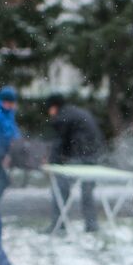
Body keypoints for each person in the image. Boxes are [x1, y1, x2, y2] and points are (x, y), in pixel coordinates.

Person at [45, 93, 106, 232]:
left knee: (60, 188)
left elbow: (59, 142)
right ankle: (91, 226)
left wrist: (52, 163)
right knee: (87, 193)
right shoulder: (75, 112)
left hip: (80, 157)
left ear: (54, 107)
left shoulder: (62, 117)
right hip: (92, 156)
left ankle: (58, 225)